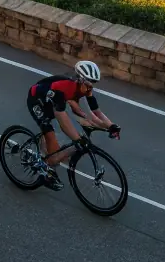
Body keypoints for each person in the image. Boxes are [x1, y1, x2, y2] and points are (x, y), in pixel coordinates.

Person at [26, 60, 120, 190]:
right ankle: (45, 171)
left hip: (51, 102)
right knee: (52, 147)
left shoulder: (86, 89)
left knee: (75, 132)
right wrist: (78, 139)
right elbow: (63, 121)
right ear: (80, 80)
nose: (90, 88)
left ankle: (44, 149)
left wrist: (111, 126)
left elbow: (95, 112)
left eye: (93, 84)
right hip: (36, 99)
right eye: (88, 84)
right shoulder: (64, 88)